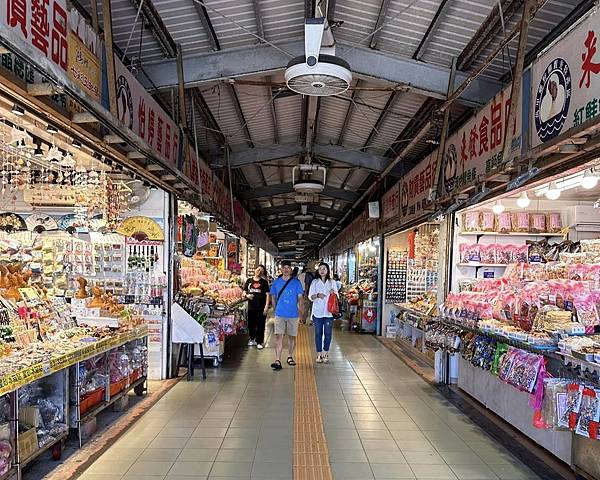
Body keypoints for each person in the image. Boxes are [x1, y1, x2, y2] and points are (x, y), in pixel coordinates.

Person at [269, 260, 304, 371]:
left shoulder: (296, 282)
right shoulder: (276, 282)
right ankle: (277, 360)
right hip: (280, 314)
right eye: (284, 267)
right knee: (279, 337)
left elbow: (300, 298)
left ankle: (290, 356)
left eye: (288, 267)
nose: (286, 269)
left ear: (291, 269)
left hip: (293, 314)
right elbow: (273, 297)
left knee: (292, 337)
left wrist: (301, 312)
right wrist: (275, 309)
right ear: (281, 269)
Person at [309, 262, 338, 364]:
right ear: (318, 271)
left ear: (327, 270)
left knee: (328, 333)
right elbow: (310, 297)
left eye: (324, 268)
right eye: (320, 269)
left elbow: (337, 296)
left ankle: (326, 353)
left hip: (329, 313)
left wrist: (333, 293)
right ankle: (319, 354)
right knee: (318, 334)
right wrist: (317, 295)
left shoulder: (332, 282)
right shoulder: (314, 282)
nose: (322, 270)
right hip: (317, 312)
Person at [243, 265, 270, 350]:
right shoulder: (249, 281)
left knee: (261, 325)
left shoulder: (264, 282)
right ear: (255, 270)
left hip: (261, 307)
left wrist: (266, 307)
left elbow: (268, 295)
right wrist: (247, 295)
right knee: (251, 324)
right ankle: (252, 338)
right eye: (258, 270)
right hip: (251, 307)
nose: (259, 272)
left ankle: (259, 341)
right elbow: (244, 292)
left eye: (261, 271)